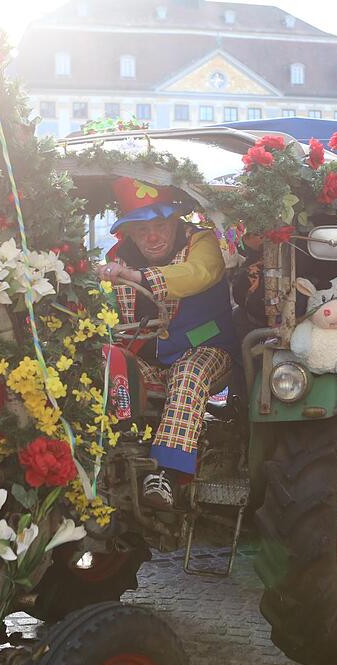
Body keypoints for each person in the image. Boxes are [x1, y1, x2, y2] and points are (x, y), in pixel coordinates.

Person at [98, 178, 237, 509]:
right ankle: (106, 460)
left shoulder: (202, 242)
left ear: (176, 221)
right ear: (129, 233)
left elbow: (199, 273)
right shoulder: (118, 257)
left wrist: (140, 278)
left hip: (207, 349)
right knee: (104, 369)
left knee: (187, 375)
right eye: (141, 230)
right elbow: (107, 309)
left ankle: (166, 474)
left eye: (160, 225)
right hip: (146, 356)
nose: (152, 237)